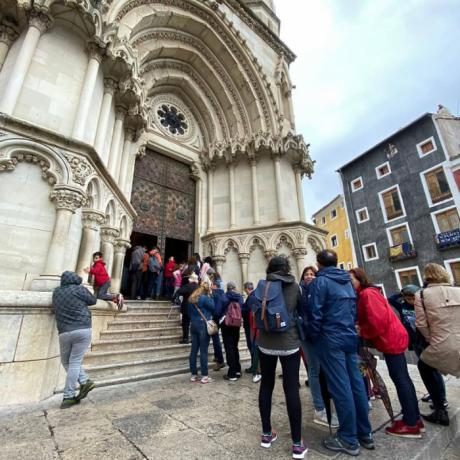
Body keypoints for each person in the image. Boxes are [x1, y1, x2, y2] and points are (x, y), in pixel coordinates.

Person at [305, 250, 373, 456]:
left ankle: (348, 438)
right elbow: (353, 311)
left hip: (330, 338)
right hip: (349, 337)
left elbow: (314, 313)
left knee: (340, 387)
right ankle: (365, 433)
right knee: (356, 384)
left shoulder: (320, 282)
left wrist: (314, 336)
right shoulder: (347, 281)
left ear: (318, 264)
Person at [350, 268, 423, 438]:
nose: (349, 283)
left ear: (360, 279)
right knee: (403, 378)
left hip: (391, 339)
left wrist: (362, 331)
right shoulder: (367, 293)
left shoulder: (368, 294)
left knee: (401, 379)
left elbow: (378, 322)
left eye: (351, 279)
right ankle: (414, 418)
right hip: (392, 338)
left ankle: (411, 424)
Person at [256, 256, 307, 459]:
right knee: (291, 388)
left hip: (266, 342)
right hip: (289, 343)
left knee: (266, 386)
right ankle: (296, 444)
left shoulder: (263, 285)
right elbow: (302, 311)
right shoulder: (295, 286)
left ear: (270, 268)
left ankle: (266, 435)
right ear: (286, 268)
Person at [389, 284, 448, 410]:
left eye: (413, 297)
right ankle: (433, 394)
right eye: (408, 298)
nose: (411, 300)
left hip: (427, 341)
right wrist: (401, 293)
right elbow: (390, 300)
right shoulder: (402, 306)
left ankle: (442, 398)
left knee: (433, 371)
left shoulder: (423, 306)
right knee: (425, 371)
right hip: (416, 342)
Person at [415, 263, 460, 426]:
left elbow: (420, 324)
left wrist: (431, 340)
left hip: (439, 341)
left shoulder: (421, 295)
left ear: (427, 276)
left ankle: (440, 410)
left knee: (425, 366)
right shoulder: (458, 291)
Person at [300, 265, 338, 428]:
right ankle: (319, 408)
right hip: (308, 336)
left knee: (327, 369)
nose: (309, 276)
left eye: (312, 274)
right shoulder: (299, 291)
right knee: (314, 370)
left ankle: (331, 404)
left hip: (323, 335)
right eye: (306, 274)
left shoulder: (322, 289)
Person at [52, 271, 97, 409]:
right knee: (74, 362)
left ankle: (76, 389)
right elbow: (93, 300)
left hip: (64, 331)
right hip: (83, 329)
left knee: (66, 362)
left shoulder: (56, 292)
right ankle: (70, 394)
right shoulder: (79, 289)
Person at [188, 282, 215, 384]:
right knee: (203, 350)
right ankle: (205, 376)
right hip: (203, 324)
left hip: (193, 324)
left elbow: (189, 313)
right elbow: (213, 307)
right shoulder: (204, 298)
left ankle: (194, 375)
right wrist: (210, 296)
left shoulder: (191, 298)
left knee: (194, 350)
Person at [221, 281, 244, 381]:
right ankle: (238, 370)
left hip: (226, 325)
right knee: (235, 346)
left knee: (229, 347)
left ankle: (232, 374)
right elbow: (242, 309)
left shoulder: (224, 297)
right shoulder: (240, 297)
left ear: (227, 288)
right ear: (234, 288)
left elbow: (218, 310)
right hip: (236, 324)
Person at [174, 271, 199, 343]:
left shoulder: (188, 286)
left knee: (185, 324)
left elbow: (179, 291)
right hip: (196, 308)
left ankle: (185, 338)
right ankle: (194, 338)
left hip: (187, 308)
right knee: (193, 324)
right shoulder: (199, 287)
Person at [242, 282, 255, 370]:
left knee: (251, 346)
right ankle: (255, 365)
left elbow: (248, 311)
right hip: (251, 325)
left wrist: (241, 309)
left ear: (247, 289)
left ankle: (255, 366)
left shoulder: (251, 297)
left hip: (250, 325)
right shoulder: (254, 296)